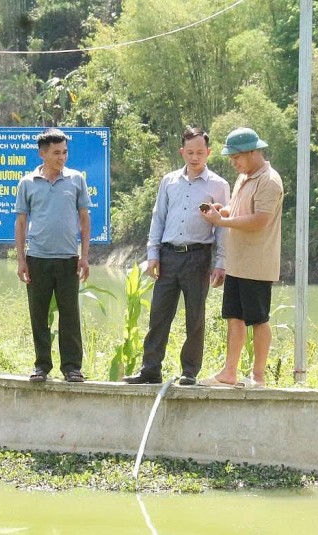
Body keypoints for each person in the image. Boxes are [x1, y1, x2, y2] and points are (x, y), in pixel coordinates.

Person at [123, 127, 230, 386]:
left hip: (198, 256)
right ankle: (150, 369)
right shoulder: (169, 181)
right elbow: (158, 217)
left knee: (195, 315)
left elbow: (223, 226)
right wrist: (153, 254)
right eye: (190, 152)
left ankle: (189, 371)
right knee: (159, 314)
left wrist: (221, 262)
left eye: (200, 152)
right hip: (168, 255)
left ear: (209, 153)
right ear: (182, 151)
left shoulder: (218, 185)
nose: (195, 157)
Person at [198, 127, 283, 388]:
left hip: (257, 264)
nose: (233, 163)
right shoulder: (244, 178)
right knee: (234, 316)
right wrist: (223, 211)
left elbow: (260, 220)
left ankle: (258, 376)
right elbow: (240, 211)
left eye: (236, 157)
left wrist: (222, 222)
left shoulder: (269, 180)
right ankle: (229, 372)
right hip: (237, 262)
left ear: (252, 152)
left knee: (258, 318)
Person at [15, 128, 91, 383]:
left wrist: (85, 256)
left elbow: (84, 218)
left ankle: (72, 367)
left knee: (70, 315)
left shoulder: (76, 179)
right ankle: (41, 366)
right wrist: (21, 260)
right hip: (37, 258)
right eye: (57, 153)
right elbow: (21, 223)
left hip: (68, 257)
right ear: (43, 154)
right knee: (39, 315)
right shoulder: (27, 183)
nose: (62, 157)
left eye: (65, 152)